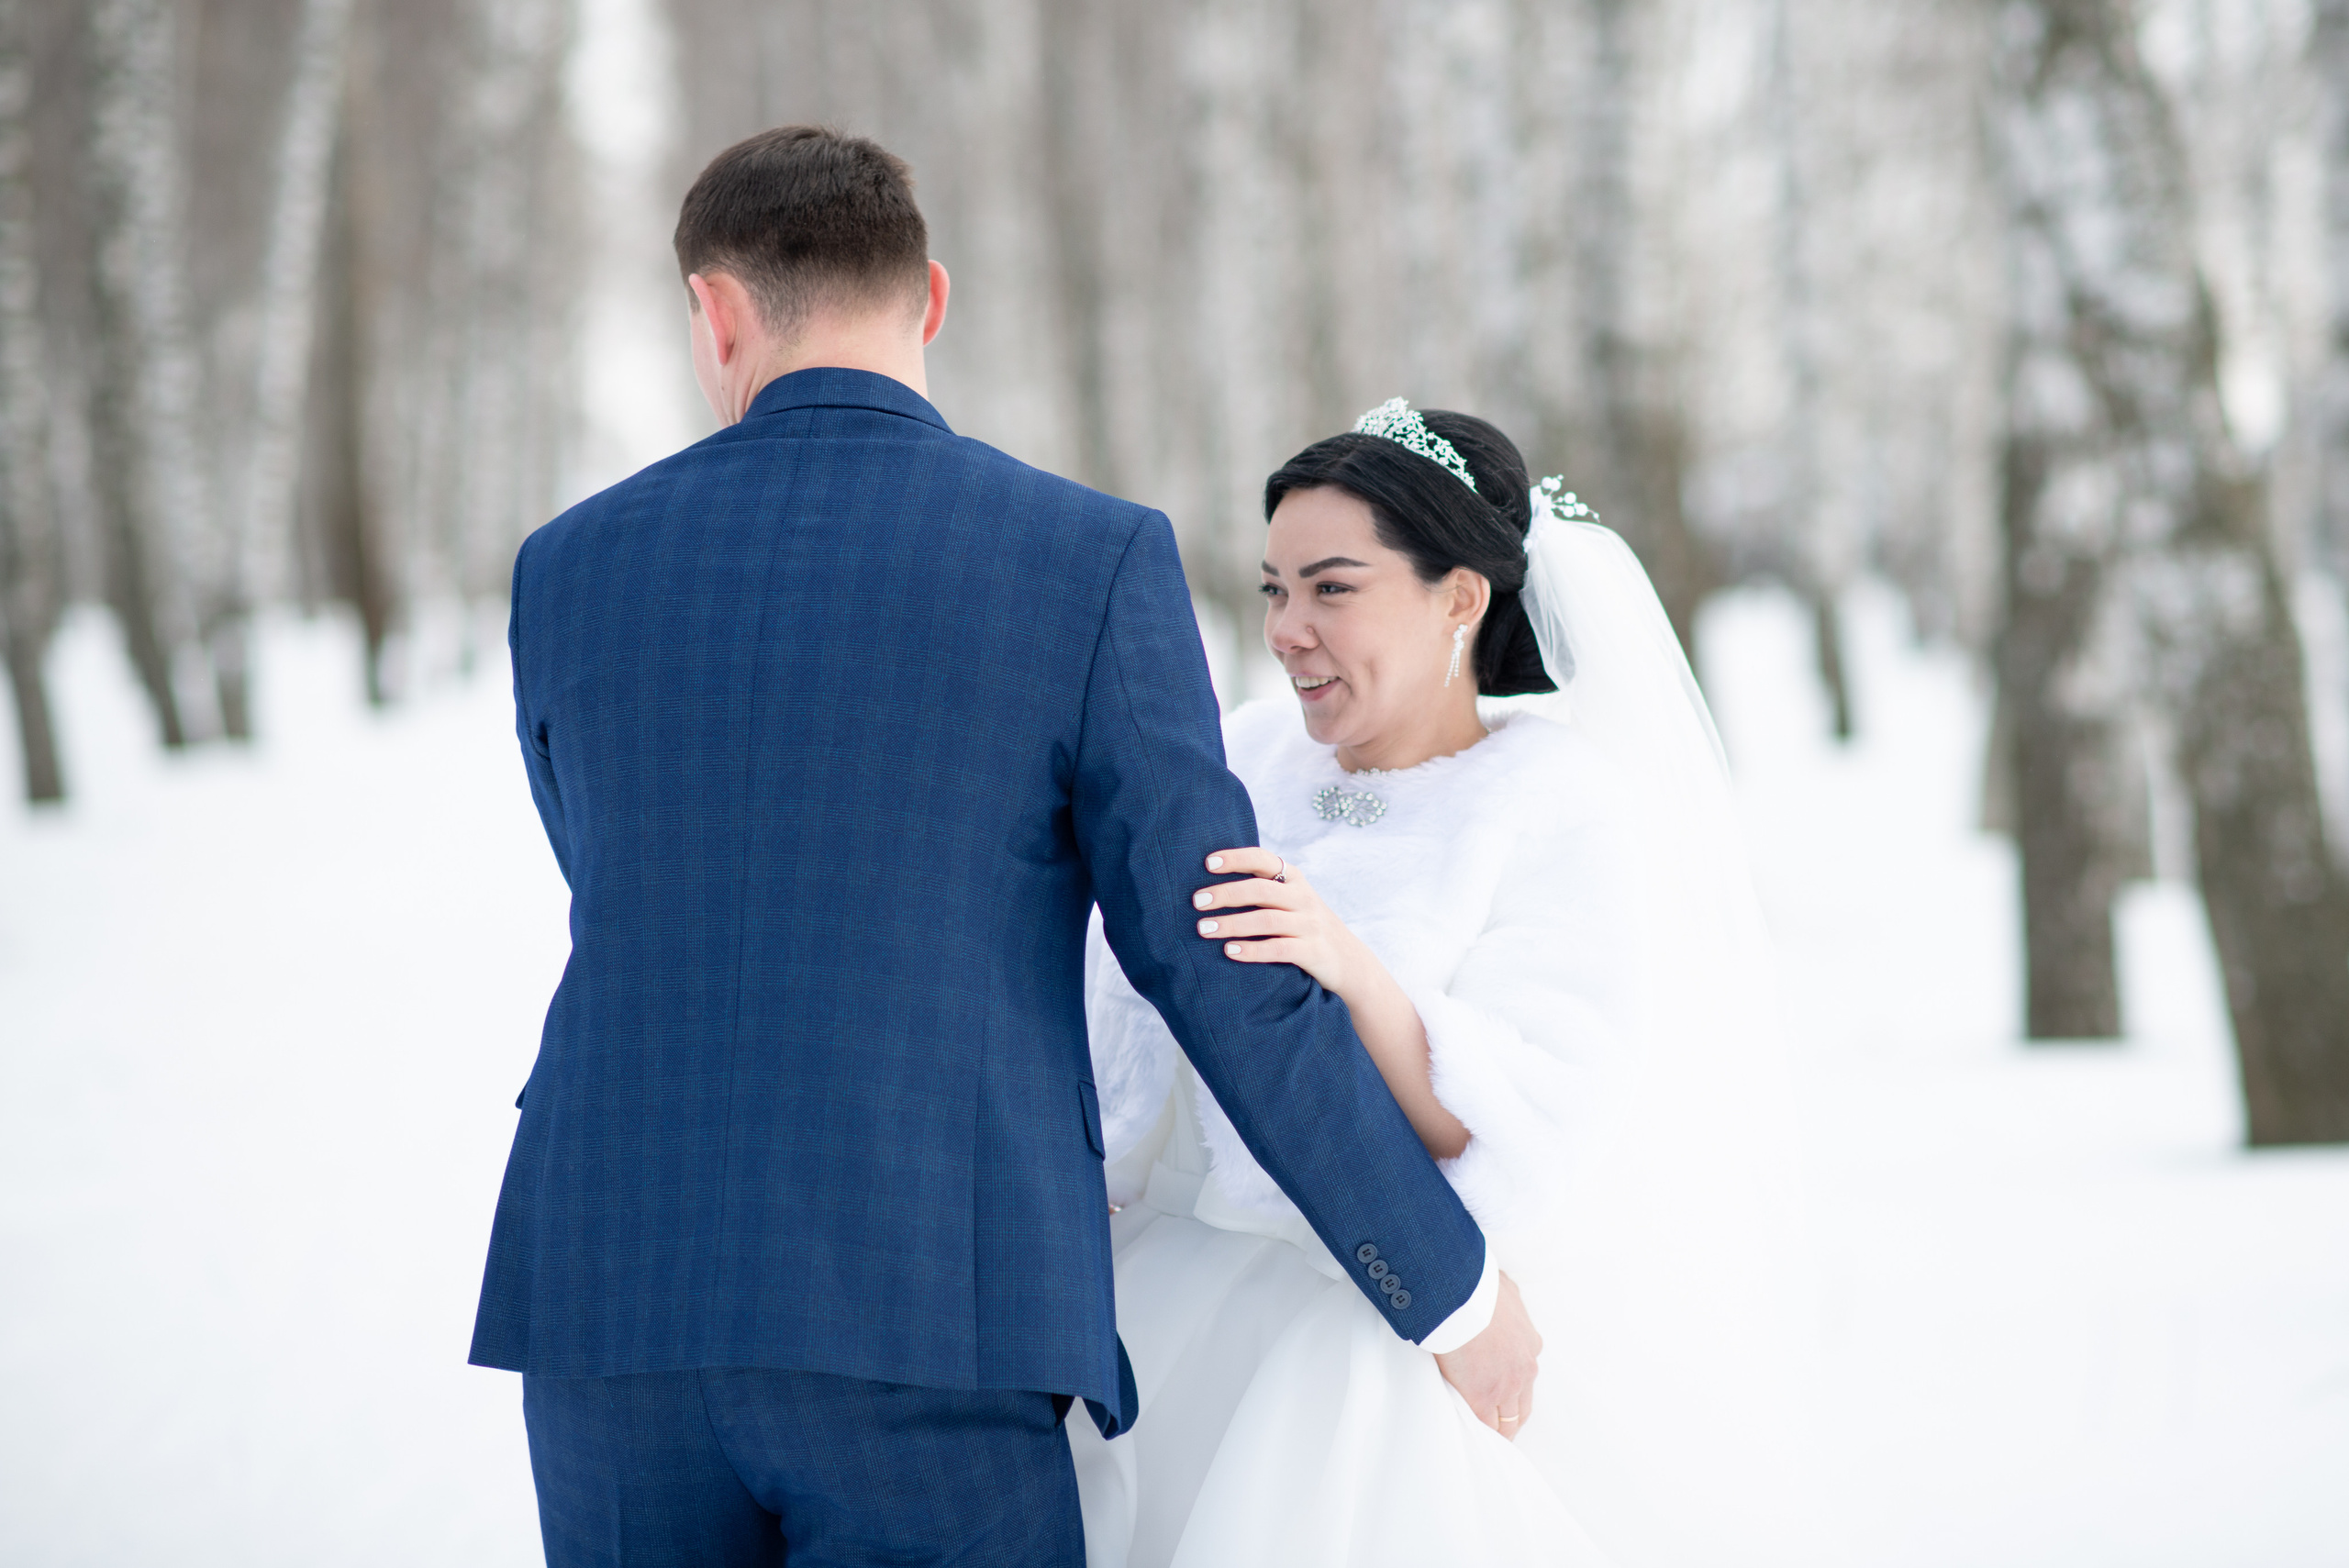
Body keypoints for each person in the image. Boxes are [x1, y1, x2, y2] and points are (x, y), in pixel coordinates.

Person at [466, 128, 1542, 1568]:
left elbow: (618, 879)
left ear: (714, 311)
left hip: (607, 1295)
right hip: (931, 1304)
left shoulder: (566, 567)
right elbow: (1214, 951)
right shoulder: (1086, 561)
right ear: (932, 300)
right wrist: (1445, 1286)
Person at [1071, 403, 1816, 1566]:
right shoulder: (1245, 751)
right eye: (1272, 589)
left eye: (1332, 588)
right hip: (1158, 1294)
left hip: (1370, 1320)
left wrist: (1348, 962)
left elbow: (1505, 1125)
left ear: (1459, 597)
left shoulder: (1553, 803)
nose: (1287, 630)